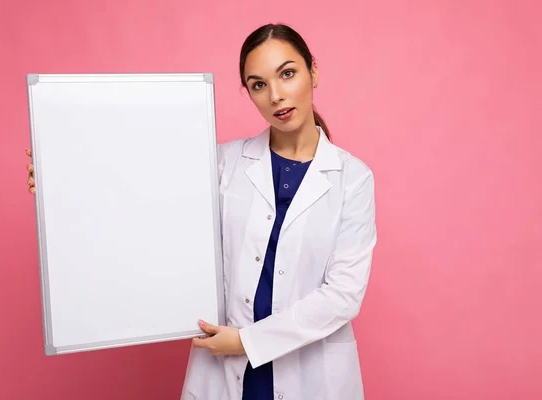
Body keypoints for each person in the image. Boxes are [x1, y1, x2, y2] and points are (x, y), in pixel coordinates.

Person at [26, 23, 377, 400]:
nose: (276, 95)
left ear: (314, 71)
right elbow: (143, 201)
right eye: (258, 84)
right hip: (226, 369)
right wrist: (61, 183)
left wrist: (247, 341)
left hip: (309, 371)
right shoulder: (222, 163)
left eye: (287, 74)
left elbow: (343, 294)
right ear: (249, 93)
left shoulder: (352, 179)